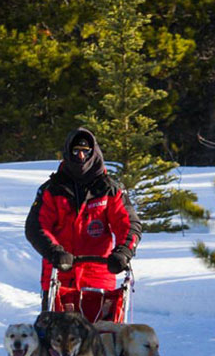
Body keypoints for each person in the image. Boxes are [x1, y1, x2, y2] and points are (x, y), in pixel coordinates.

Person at [25, 127, 142, 311]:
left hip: (98, 278)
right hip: (59, 277)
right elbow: (36, 227)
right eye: (76, 151)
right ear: (68, 152)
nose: (80, 156)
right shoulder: (52, 189)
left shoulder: (109, 190)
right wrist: (55, 252)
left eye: (85, 151)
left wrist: (123, 253)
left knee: (101, 336)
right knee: (56, 337)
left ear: (93, 152)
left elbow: (129, 225)